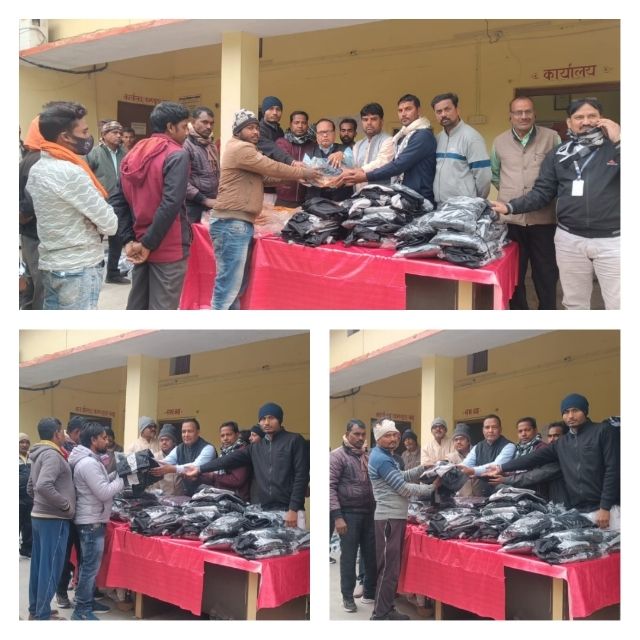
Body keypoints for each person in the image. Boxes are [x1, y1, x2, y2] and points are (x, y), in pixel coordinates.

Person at [491, 97, 620, 309]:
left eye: (591, 116)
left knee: (618, 303)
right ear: (569, 122)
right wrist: (510, 206)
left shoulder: (614, 148)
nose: (585, 121)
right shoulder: (558, 154)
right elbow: (541, 189)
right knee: (573, 302)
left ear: (602, 119)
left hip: (610, 239)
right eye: (579, 117)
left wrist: (620, 141)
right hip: (567, 236)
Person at [209, 109, 321, 310]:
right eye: (250, 128)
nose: (255, 132)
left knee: (236, 285)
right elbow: (271, 167)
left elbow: (266, 177)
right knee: (228, 285)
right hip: (231, 223)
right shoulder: (241, 149)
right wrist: (303, 172)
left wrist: (297, 177)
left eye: (257, 128)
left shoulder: (246, 151)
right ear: (238, 131)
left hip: (238, 223)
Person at [24, 101, 118, 309]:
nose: (88, 136)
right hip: (78, 268)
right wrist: (91, 219)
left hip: (51, 265)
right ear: (65, 137)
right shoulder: (71, 172)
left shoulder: (38, 168)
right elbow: (110, 224)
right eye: (84, 131)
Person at [489, 394, 620, 528]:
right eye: (566, 412)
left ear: (585, 411)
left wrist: (605, 507)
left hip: (607, 510)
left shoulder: (603, 431)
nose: (570, 416)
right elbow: (533, 457)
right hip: (579, 511)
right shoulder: (562, 443)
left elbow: (613, 470)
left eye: (575, 410)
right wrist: (502, 467)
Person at [111, 101, 192, 310]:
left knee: (138, 306)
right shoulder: (177, 154)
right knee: (162, 309)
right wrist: (147, 244)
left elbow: (118, 200)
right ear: (170, 127)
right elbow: (171, 204)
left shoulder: (133, 153)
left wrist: (129, 240)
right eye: (184, 127)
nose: (187, 132)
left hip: (138, 243)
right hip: (167, 245)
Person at [186, 402, 310, 527]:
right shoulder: (255, 447)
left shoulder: (294, 440)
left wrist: (293, 509)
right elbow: (227, 460)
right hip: (266, 510)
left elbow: (301, 476)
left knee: (295, 540)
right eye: (263, 419)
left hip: (291, 511)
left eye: (271, 418)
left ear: (280, 419)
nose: (266, 422)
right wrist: (200, 469)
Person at [491, 97, 561, 309]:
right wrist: (511, 191)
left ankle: (547, 312)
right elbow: (495, 174)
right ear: (510, 116)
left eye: (527, 111)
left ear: (534, 114)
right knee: (514, 274)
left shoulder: (552, 138)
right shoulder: (499, 141)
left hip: (544, 219)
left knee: (546, 273)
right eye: (518, 112)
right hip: (511, 221)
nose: (523, 116)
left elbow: (560, 172)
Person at [368, 419, 436, 620]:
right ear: (378, 438)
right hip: (389, 519)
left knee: (391, 567)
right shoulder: (381, 459)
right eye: (388, 435)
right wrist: (431, 488)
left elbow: (401, 476)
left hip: (394, 517)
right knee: (388, 569)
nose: (393, 439)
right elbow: (403, 488)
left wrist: (422, 468)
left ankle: (387, 608)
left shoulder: (386, 456)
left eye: (395, 434)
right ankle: (380, 615)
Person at [68, 422, 124, 620]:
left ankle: (87, 600)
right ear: (93, 440)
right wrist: (123, 480)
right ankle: (81, 610)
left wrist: (117, 474)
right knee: (89, 568)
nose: (107, 441)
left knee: (88, 566)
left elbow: (101, 482)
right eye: (103, 438)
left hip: (92, 518)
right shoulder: (88, 463)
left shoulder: (91, 460)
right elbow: (103, 492)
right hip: (91, 522)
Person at [342, 94, 437, 205]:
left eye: (408, 109)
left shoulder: (422, 135)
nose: (403, 114)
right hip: (404, 196)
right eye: (400, 110)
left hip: (419, 199)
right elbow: (352, 164)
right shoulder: (403, 136)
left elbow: (398, 165)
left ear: (418, 110)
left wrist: (364, 176)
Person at [27, 417, 75, 620]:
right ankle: (42, 615)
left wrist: (41, 503)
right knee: (51, 566)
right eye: (62, 431)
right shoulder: (53, 455)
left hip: (40, 517)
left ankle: (35, 609)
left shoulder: (38, 454)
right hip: (53, 519)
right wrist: (65, 505)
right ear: (56, 434)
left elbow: (32, 487)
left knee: (39, 565)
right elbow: (43, 485)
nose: (64, 435)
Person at [329, 419, 377, 613]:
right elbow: (329, 487)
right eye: (356, 434)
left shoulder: (367, 455)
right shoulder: (337, 456)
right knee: (348, 558)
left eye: (363, 434)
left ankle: (369, 592)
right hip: (348, 514)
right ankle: (347, 597)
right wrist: (337, 516)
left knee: (371, 555)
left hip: (370, 513)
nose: (360, 438)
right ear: (347, 433)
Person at [87, 120, 130, 285]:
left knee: (117, 239)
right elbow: (85, 176)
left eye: (120, 133)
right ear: (104, 135)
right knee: (95, 240)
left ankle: (112, 273)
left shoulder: (125, 153)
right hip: (100, 204)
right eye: (114, 132)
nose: (119, 136)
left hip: (119, 204)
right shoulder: (94, 153)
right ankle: (92, 274)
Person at [431, 92, 491, 205]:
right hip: (440, 206)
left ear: (458, 110)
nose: (443, 114)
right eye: (439, 111)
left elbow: (484, 177)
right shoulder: (438, 139)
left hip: (463, 207)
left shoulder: (472, 138)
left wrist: (475, 201)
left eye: (447, 109)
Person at [19, 115, 46, 310]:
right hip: (37, 232)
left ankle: (26, 310)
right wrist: (24, 214)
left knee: (30, 278)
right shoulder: (40, 159)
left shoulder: (29, 156)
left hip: (29, 232)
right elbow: (32, 198)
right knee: (41, 284)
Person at [150, 418, 217, 496]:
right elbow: (165, 462)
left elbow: (194, 467)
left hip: (208, 495)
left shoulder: (208, 448)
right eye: (183, 431)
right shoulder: (179, 448)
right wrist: (148, 462)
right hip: (189, 494)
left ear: (198, 432)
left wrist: (173, 469)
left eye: (190, 431)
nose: (186, 435)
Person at [459, 414, 515, 496]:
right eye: (487, 427)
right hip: (481, 491)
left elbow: (496, 466)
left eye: (494, 427)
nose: (490, 430)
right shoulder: (478, 447)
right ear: (483, 430)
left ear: (500, 429)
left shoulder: (509, 446)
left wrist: (473, 471)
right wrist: (454, 468)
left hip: (501, 492)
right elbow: (466, 463)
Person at [184, 106, 220, 223]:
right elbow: (182, 182)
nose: (209, 126)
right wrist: (204, 200)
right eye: (204, 122)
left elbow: (217, 173)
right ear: (193, 122)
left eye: (211, 123)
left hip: (212, 204)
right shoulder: (185, 145)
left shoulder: (211, 145)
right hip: (192, 206)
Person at [304, 118, 354, 202]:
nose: (325, 135)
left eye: (328, 132)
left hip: (341, 200)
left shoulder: (345, 150)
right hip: (315, 201)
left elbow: (353, 168)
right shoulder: (309, 153)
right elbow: (305, 176)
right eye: (321, 132)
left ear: (334, 134)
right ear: (316, 135)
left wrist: (343, 155)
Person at [275, 110, 317, 207]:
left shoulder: (312, 145)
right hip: (284, 198)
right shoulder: (281, 143)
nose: (300, 126)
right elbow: (281, 166)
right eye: (296, 122)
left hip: (307, 198)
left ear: (307, 125)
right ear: (290, 124)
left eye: (303, 123)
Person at [200, 421, 251, 501]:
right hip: (225, 497)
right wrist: (200, 476)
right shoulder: (224, 452)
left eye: (229, 434)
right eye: (222, 436)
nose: (225, 438)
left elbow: (237, 480)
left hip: (238, 500)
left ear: (237, 435)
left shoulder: (241, 452)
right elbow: (218, 479)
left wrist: (213, 476)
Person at [351, 102, 393, 187]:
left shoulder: (389, 141)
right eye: (365, 119)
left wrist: (360, 170)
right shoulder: (358, 145)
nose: (369, 123)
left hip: (381, 193)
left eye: (373, 119)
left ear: (381, 121)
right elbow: (352, 165)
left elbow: (382, 162)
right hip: (359, 193)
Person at [444, 423, 477, 496]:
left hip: (481, 497)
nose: (458, 442)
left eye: (462, 439)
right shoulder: (450, 458)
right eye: (456, 440)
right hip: (459, 499)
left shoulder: (478, 453)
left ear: (468, 441)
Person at [152, 424, 184, 496]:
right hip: (162, 498)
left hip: (181, 497)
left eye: (167, 440)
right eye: (161, 440)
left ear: (174, 441)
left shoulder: (182, 455)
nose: (164, 442)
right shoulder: (155, 458)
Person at [19, 433, 33, 558]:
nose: (24, 445)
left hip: (29, 498)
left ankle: (26, 549)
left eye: (27, 442)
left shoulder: (31, 457)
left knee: (29, 525)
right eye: (21, 442)